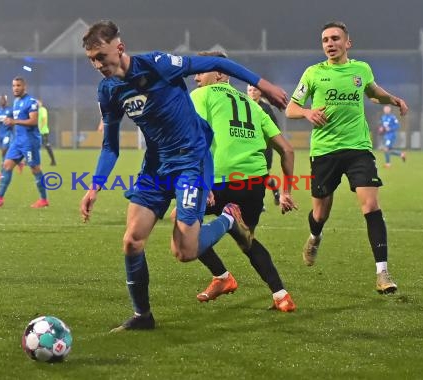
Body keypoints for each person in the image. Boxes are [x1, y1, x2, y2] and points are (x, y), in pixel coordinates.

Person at [79, 20, 288, 332]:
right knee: (132, 241)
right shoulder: (108, 90)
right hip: (156, 167)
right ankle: (143, 317)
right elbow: (110, 146)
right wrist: (94, 187)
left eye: (101, 56)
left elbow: (217, 61)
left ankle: (229, 218)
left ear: (119, 48)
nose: (98, 65)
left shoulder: (158, 64)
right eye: (92, 60)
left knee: (185, 252)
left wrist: (266, 85)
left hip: (191, 162)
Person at [285, 21, 408, 294]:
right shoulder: (313, 73)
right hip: (325, 152)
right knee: (320, 212)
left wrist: (394, 100)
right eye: (325, 40)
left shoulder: (361, 70)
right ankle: (315, 236)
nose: (330, 43)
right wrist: (306, 113)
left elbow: (374, 92)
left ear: (347, 43)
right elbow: (291, 108)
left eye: (335, 38)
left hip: (358, 149)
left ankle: (382, 273)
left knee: (371, 207)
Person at [189, 51, 298, 312]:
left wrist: (202, 184)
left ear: (221, 73)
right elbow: (288, 150)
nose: (195, 78)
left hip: (220, 181)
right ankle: (281, 295)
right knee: (246, 239)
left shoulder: (201, 96)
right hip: (254, 184)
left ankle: (223, 276)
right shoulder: (253, 105)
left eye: (201, 71)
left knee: (182, 226)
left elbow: (196, 141)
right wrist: (285, 191)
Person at [0, 76, 49, 208]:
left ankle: (44, 199)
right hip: (18, 141)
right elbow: (14, 117)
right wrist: (8, 119)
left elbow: (33, 121)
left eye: (18, 85)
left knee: (35, 169)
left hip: (30, 141)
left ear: (24, 87)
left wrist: (15, 121)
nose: (15, 88)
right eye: (13, 86)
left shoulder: (31, 102)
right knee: (6, 165)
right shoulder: (16, 102)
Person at [247, 84, 281, 206]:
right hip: (248, 147)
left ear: (260, 92)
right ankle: (275, 192)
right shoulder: (244, 105)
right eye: (250, 90)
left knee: (260, 175)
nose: (252, 92)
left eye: (255, 90)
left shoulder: (266, 108)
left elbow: (275, 128)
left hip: (264, 148)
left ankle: (259, 203)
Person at [0, 94, 16, 179]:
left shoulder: (10, 110)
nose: (2, 101)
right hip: (0, 133)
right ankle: (18, 163)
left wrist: (11, 123)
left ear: (6, 101)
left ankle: (2, 172)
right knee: (4, 152)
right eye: (1, 100)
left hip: (8, 133)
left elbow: (14, 120)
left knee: (4, 150)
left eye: (3, 100)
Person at [37, 99, 57, 166]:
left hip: (43, 132)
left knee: (47, 146)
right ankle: (32, 161)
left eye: (38, 102)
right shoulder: (36, 111)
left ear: (41, 103)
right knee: (34, 146)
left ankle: (53, 160)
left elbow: (44, 119)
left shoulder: (43, 110)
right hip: (38, 131)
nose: (37, 104)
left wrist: (41, 129)